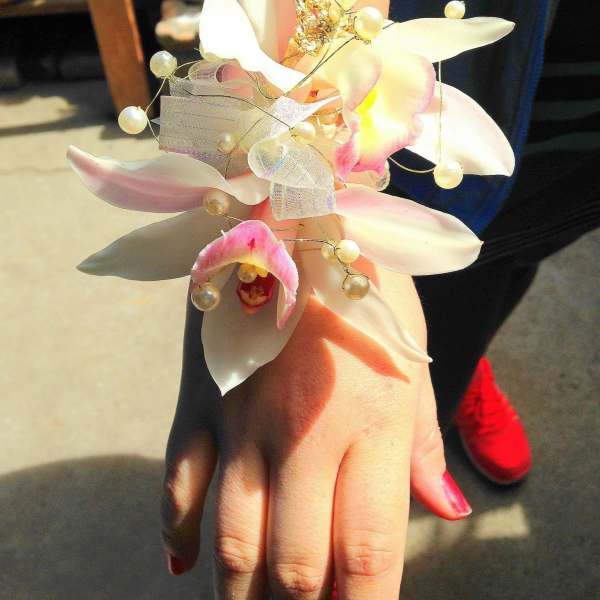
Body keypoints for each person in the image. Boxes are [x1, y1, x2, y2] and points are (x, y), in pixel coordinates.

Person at [160, 0, 600, 597]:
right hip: (441, 139)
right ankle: (451, 365)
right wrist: (298, 258)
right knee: (440, 311)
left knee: (510, 260)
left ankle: (467, 364)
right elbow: (298, 39)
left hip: (575, 152)